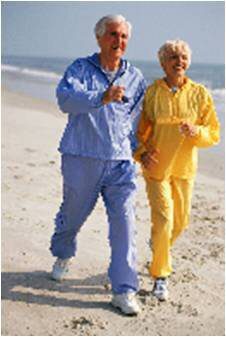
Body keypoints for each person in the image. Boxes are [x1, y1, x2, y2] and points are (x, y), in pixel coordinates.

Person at [50, 14, 146, 315]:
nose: (119, 41)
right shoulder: (79, 68)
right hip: (82, 156)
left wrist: (142, 150)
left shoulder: (135, 77)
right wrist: (101, 97)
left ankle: (125, 289)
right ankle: (63, 253)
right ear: (100, 37)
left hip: (120, 162)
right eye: (113, 35)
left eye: (124, 37)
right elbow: (66, 101)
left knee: (125, 223)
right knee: (73, 215)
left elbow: (136, 122)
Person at [134, 40, 220, 301]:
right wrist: (141, 153)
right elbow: (140, 131)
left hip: (184, 169)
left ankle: (159, 247)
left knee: (180, 223)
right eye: (172, 57)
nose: (178, 61)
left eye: (182, 57)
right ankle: (160, 276)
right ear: (163, 63)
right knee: (164, 220)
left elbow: (214, 133)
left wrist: (198, 132)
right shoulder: (151, 93)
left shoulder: (200, 93)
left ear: (188, 62)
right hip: (157, 169)